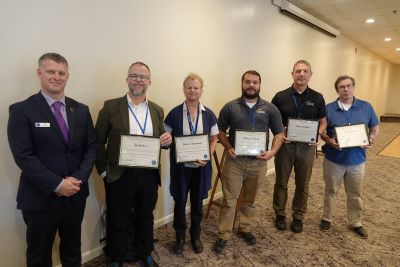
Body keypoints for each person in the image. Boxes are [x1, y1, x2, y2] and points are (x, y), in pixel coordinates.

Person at [7, 53, 96, 267]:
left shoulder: (81, 110)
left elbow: (91, 147)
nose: (56, 77)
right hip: (40, 197)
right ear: (39, 73)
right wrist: (57, 184)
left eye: (61, 73)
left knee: (73, 249)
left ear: (67, 76)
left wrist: (77, 179)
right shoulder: (22, 110)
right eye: (50, 72)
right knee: (39, 255)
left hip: (75, 194)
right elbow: (23, 156)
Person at [95, 62, 172, 267]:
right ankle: (116, 257)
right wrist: (104, 173)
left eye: (143, 77)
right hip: (119, 174)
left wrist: (167, 142)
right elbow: (97, 142)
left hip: (148, 175)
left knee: (146, 216)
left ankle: (145, 251)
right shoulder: (110, 107)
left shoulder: (157, 110)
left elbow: (159, 140)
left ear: (149, 82)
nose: (139, 80)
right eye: (134, 75)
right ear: (127, 79)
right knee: (117, 218)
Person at [212, 70, 284, 254]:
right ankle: (224, 234)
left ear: (260, 85)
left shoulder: (270, 109)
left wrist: (273, 152)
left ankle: (244, 227)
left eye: (255, 82)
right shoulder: (230, 107)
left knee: (250, 199)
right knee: (229, 198)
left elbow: (279, 133)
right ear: (242, 83)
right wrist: (228, 147)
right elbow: (220, 131)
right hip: (235, 161)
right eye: (247, 82)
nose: (251, 85)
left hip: (258, 162)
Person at [164, 73, 218, 255]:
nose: (192, 90)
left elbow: (214, 139)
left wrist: (207, 156)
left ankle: (196, 235)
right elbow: (166, 139)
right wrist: (166, 140)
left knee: (197, 203)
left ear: (201, 90)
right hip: (181, 169)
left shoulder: (209, 114)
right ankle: (179, 237)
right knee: (179, 202)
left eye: (196, 87)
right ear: (184, 89)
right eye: (189, 87)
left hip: (201, 168)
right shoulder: (173, 113)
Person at [319, 75, 379, 238]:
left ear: (353, 87)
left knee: (355, 193)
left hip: (357, 160)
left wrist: (371, 138)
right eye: (341, 87)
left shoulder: (366, 107)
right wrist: (329, 141)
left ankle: (355, 222)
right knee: (331, 190)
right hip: (334, 159)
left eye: (348, 86)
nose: (345, 89)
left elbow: (375, 126)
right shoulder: (329, 108)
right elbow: (322, 131)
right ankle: (327, 217)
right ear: (337, 90)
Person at [271, 60, 327, 233]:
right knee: (281, 181)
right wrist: (280, 133)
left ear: (310, 74)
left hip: (307, 147)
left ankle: (298, 216)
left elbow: (323, 122)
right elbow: (273, 121)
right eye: (298, 71)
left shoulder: (317, 97)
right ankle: (280, 213)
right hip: (285, 146)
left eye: (305, 71)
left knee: (303, 184)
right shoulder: (280, 96)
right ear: (292, 74)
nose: (301, 74)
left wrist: (317, 135)